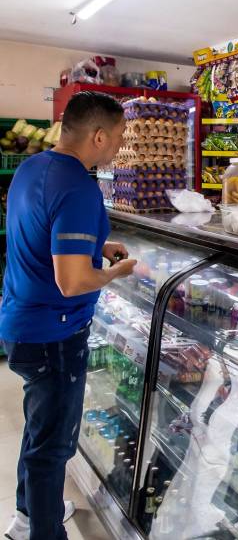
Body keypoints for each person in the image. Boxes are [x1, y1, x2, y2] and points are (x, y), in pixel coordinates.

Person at [0, 91, 137, 540]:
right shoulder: (78, 185)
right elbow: (72, 282)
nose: (118, 145)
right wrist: (112, 272)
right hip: (53, 334)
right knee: (52, 447)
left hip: (22, 321)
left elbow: (41, 231)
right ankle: (41, 532)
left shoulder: (32, 167)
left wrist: (95, 245)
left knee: (39, 430)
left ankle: (27, 515)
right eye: (117, 137)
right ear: (98, 135)